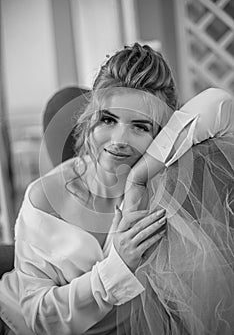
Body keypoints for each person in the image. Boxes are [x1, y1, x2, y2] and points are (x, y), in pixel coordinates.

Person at [0, 43, 233, 335]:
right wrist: (117, 265)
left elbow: (220, 103)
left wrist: (138, 178)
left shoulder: (163, 184)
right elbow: (38, 316)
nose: (119, 139)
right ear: (89, 120)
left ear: (163, 135)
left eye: (140, 126)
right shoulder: (44, 197)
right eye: (108, 120)